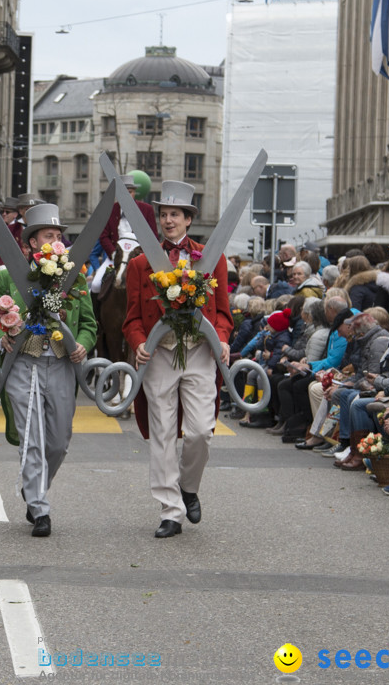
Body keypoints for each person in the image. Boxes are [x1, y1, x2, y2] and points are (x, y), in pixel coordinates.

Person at [123, 180, 232, 539]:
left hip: (199, 353)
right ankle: (170, 511)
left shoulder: (212, 256)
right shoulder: (140, 263)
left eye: (175, 214)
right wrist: (139, 342)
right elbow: (133, 318)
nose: (168, 220)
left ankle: (188, 486)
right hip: (159, 356)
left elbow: (223, 315)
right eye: (163, 214)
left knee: (201, 431)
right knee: (163, 433)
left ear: (188, 219)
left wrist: (223, 340)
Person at [0, 202, 96, 537]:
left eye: (59, 235)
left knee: (59, 442)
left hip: (61, 365)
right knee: (31, 437)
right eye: (49, 235)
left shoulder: (74, 278)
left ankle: (34, 487)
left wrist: (82, 346)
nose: (56, 240)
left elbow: (90, 324)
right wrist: (0, 340)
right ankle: (39, 507)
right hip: (22, 365)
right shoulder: (8, 275)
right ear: (32, 242)